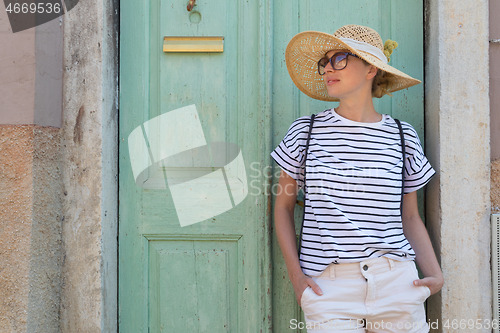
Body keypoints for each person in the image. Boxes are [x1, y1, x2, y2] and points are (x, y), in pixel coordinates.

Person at [271, 25, 444, 333]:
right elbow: (283, 208)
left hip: (397, 283)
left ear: (370, 69)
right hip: (330, 290)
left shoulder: (403, 137)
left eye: (339, 58)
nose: (327, 69)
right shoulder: (305, 132)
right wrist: (297, 279)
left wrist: (435, 275)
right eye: (324, 62)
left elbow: (410, 217)